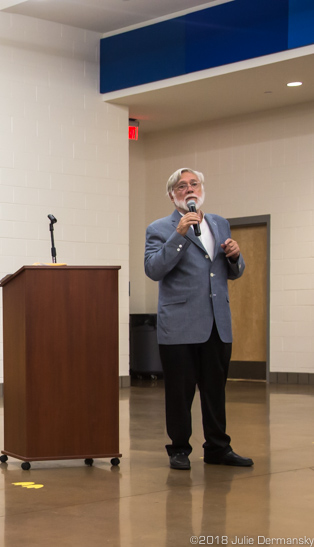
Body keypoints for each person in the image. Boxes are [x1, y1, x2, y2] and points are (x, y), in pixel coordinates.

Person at [144, 168, 253, 470]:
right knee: (180, 393)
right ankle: (179, 449)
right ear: (172, 195)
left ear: (201, 189)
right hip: (179, 325)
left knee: (215, 390)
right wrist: (179, 235)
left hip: (217, 322)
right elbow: (153, 269)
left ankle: (218, 448)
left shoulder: (219, 223)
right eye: (182, 186)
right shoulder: (159, 228)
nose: (189, 189)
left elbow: (234, 271)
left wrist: (234, 255)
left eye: (194, 184)